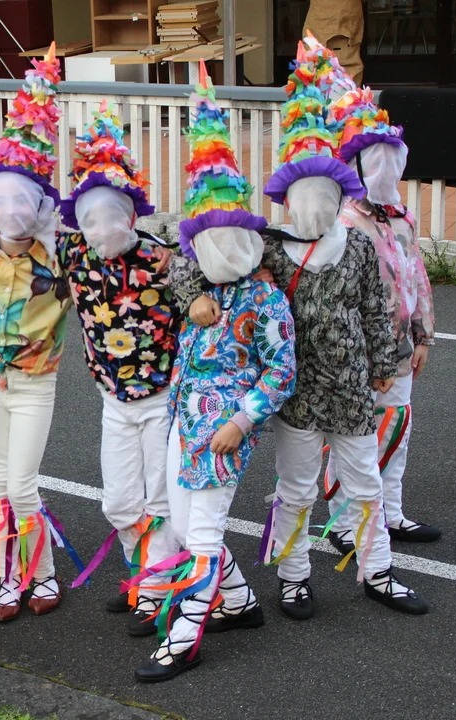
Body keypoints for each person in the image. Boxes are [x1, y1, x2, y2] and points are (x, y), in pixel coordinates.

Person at [183, 42, 426, 618]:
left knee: (364, 482)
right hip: (294, 394)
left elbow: (376, 310)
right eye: (302, 194)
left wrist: (384, 365)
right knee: (295, 488)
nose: (313, 204)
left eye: (324, 193)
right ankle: (293, 576)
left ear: (340, 195)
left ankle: (378, 570)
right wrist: (193, 293)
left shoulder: (358, 245)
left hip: (351, 389)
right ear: (287, 198)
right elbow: (195, 257)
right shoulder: (268, 246)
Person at [138, 63, 296, 682]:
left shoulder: (266, 299)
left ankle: (184, 638)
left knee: (201, 532)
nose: (220, 251)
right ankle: (239, 601)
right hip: (184, 422)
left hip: (224, 431)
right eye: (209, 242)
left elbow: (281, 371)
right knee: (182, 525)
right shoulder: (202, 292)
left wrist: (242, 421)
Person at [0, 44, 79, 622]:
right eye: (0, 199)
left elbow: (116, 250)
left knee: (23, 484)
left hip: (35, 381)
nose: (11, 208)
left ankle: (45, 575)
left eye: (21, 199)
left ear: (38, 203)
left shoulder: (62, 256)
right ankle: (11, 578)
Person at [57, 100, 181, 637]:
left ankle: (158, 589)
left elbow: (229, 255)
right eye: (90, 217)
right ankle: (142, 574)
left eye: (112, 215)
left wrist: (186, 257)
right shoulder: (73, 254)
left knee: (160, 499)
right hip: (113, 398)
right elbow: (13, 221)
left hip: (162, 397)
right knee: (119, 501)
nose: (101, 227)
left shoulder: (164, 258)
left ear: (132, 214)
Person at [323, 65, 439, 548]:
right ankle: (342, 522)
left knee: (397, 428)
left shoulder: (402, 217)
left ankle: (391, 512)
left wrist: (423, 335)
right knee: (353, 434)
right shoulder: (344, 221)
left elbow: (416, 275)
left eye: (394, 158)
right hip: (358, 351)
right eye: (377, 160)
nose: (388, 168)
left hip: (400, 348)